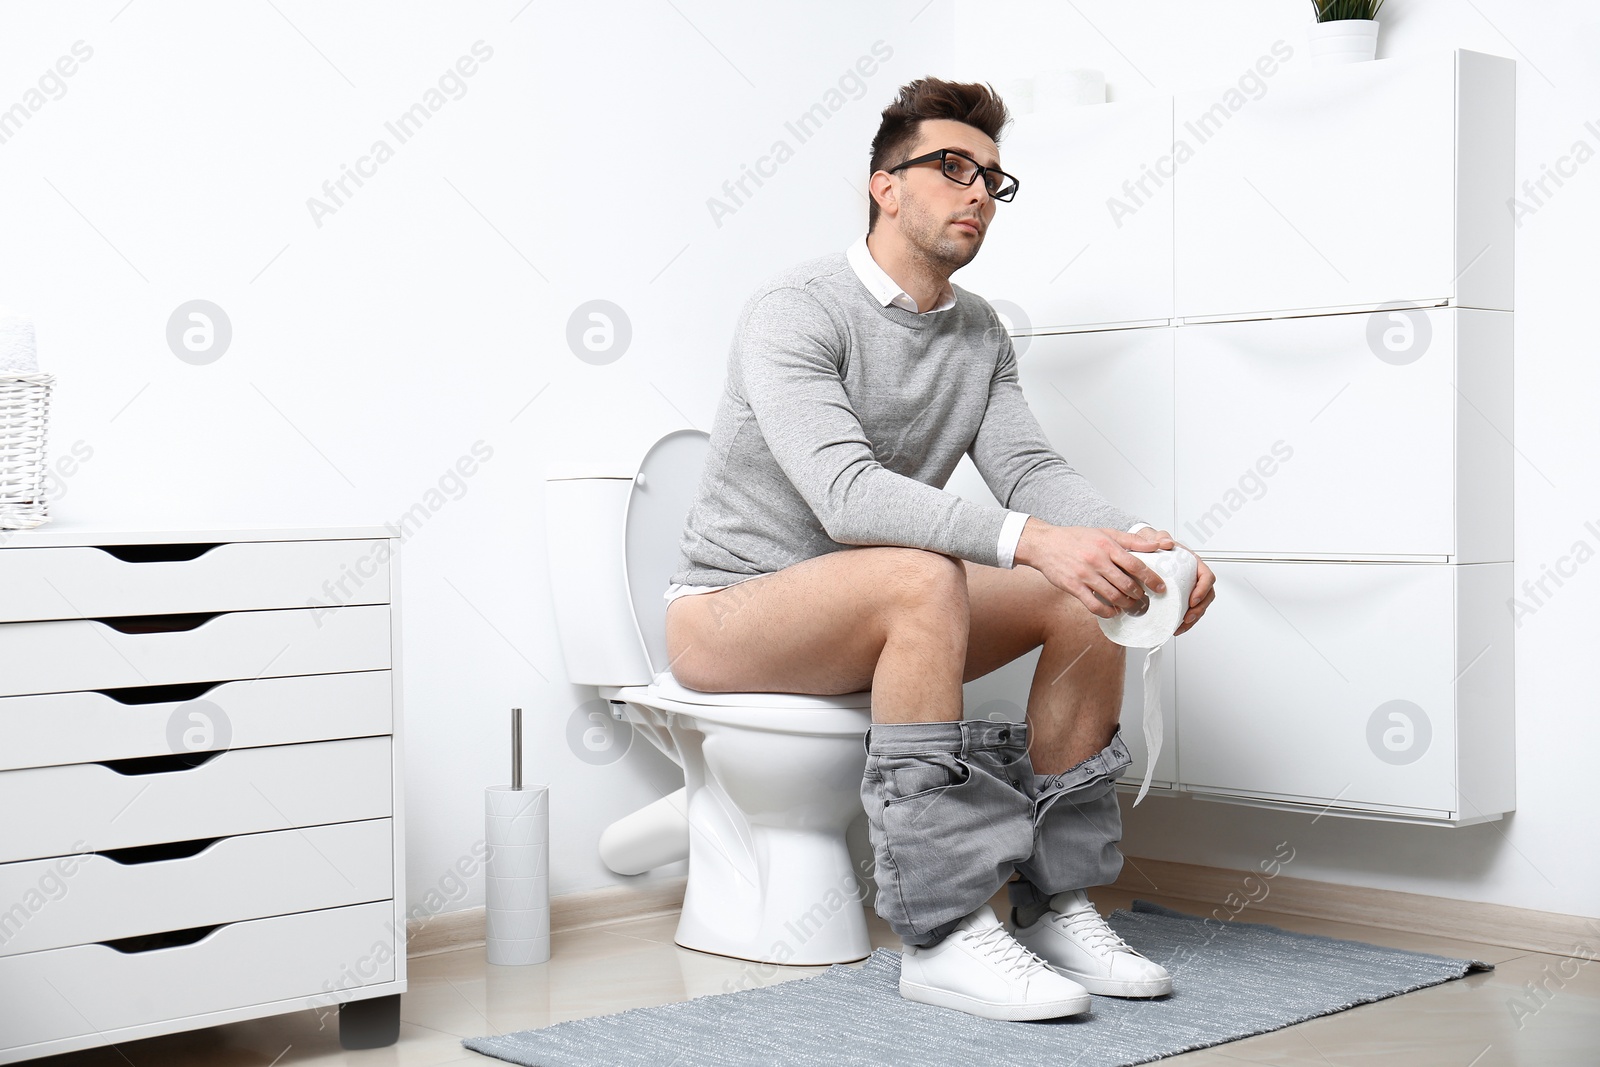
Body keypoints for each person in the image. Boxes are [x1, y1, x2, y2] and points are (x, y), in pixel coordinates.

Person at [662, 76, 1216, 1021]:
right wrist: (1036, 542)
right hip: (730, 613)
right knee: (927, 577)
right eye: (953, 167)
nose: (977, 194)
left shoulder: (978, 332)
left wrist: (1130, 552)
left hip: (863, 610)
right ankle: (944, 927)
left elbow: (1030, 468)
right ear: (884, 184)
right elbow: (846, 497)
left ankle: (1052, 899)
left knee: (1081, 592)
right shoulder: (795, 309)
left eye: (993, 180)